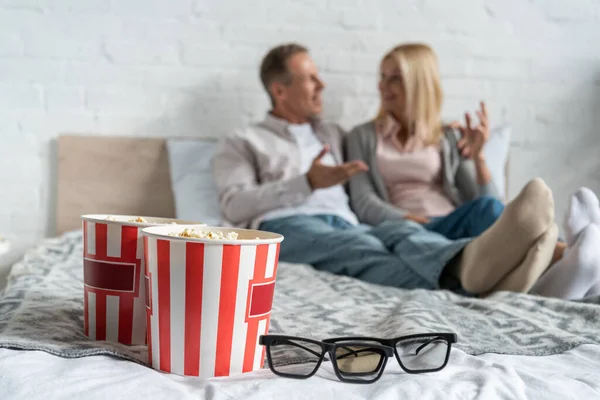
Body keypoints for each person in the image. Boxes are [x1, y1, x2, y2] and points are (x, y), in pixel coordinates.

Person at [212, 43, 565, 298]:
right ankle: (462, 273)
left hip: (348, 222)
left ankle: (475, 267)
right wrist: (306, 183)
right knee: (361, 246)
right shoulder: (243, 140)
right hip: (287, 225)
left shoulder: (332, 134)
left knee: (396, 235)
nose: (322, 86)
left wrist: (476, 156)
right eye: (311, 79)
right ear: (280, 90)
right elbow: (233, 205)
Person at [344, 41, 600, 299]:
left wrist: (478, 158)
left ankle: (571, 260)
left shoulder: (446, 136)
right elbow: (364, 202)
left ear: (419, 82)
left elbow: (486, 201)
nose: (382, 86)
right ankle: (571, 257)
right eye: (382, 76)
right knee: (435, 235)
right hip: (406, 226)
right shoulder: (361, 136)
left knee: (487, 208)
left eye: (395, 78)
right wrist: (408, 219)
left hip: (452, 221)